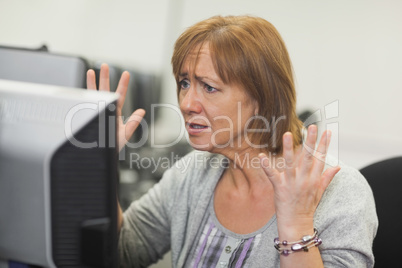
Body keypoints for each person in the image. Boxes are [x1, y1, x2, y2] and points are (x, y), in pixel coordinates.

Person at [87, 15, 378, 268]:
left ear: (261, 99)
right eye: (184, 83)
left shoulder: (341, 191)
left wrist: (297, 223)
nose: (187, 102)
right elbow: (123, 253)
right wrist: (97, 166)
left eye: (209, 87)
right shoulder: (192, 173)